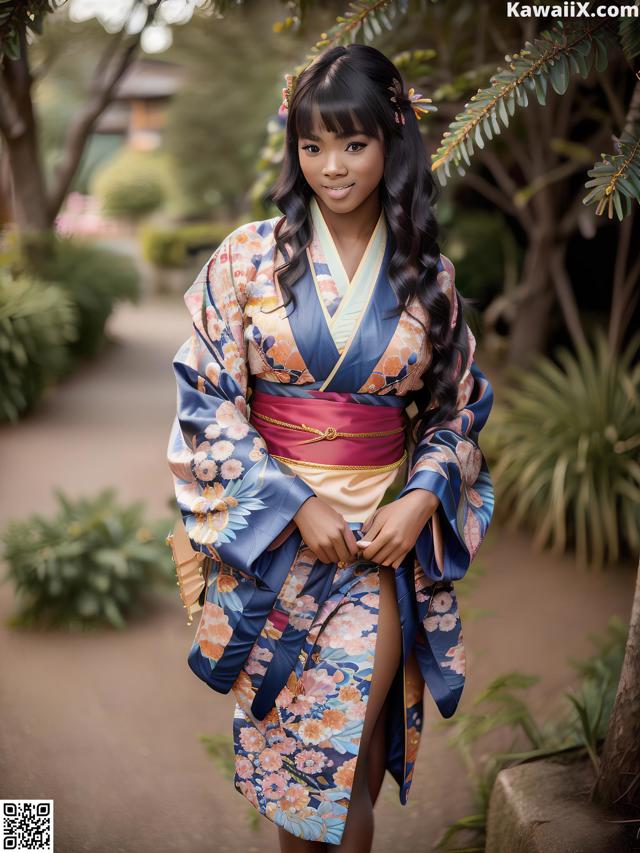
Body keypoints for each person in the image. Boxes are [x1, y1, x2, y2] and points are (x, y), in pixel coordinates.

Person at [166, 43, 494, 852]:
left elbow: (456, 408)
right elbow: (205, 399)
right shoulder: (245, 258)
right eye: (312, 146)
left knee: (343, 773)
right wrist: (293, 503)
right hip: (268, 550)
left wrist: (421, 497)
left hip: (375, 551)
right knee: (295, 779)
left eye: (353, 143)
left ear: (392, 138)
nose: (332, 167)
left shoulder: (427, 276)